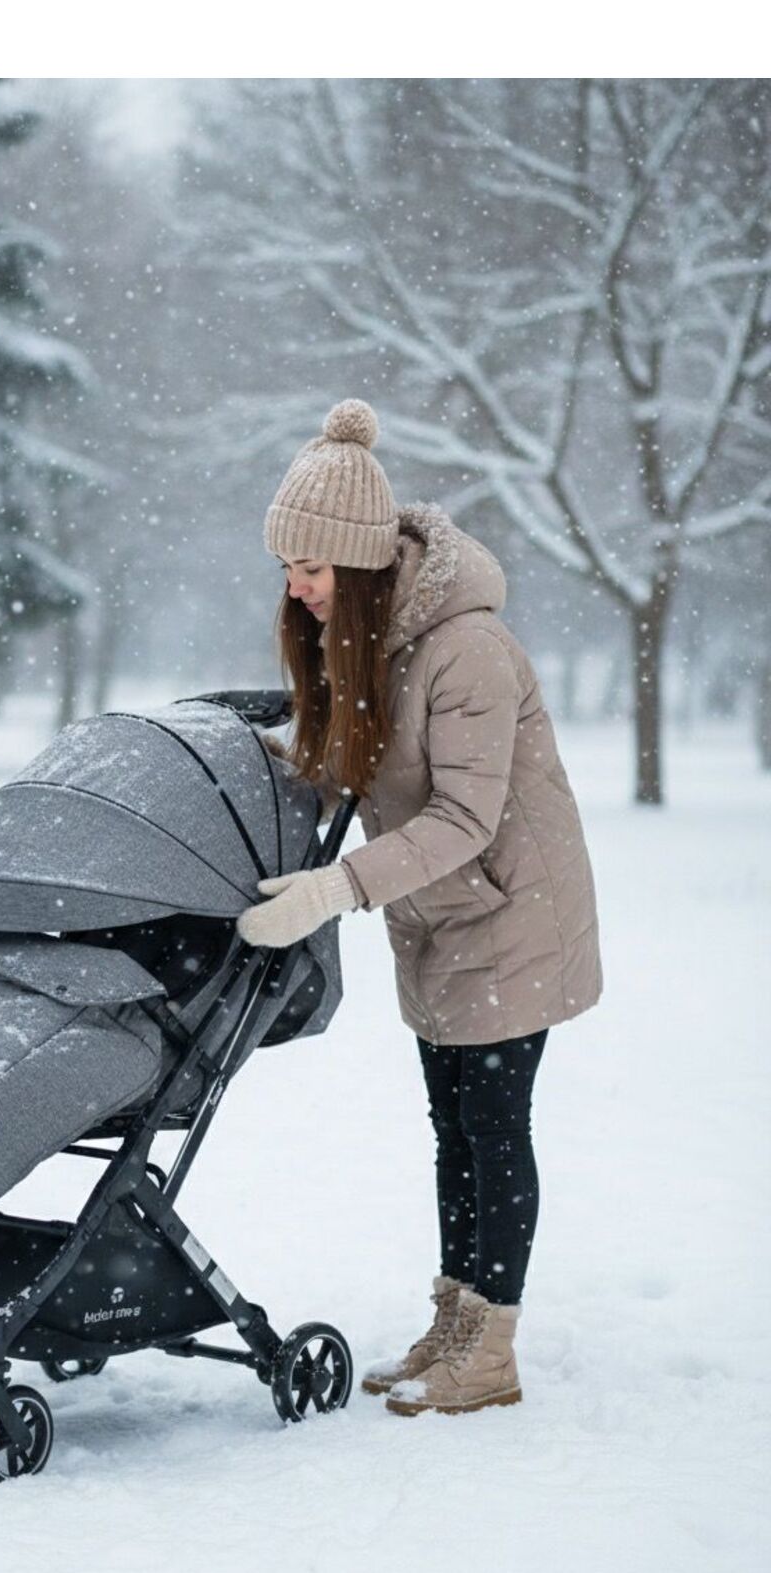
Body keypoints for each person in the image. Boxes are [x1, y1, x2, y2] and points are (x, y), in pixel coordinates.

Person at [237, 398, 602, 1417]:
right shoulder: (373, 645)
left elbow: (465, 818)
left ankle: (491, 1350)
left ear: (357, 564)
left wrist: (332, 888)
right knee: (453, 1129)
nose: (296, 586)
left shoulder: (466, 648)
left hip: (510, 913)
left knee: (493, 1124)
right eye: (287, 568)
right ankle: (454, 1323)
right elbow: (349, 762)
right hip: (438, 918)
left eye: (308, 566)